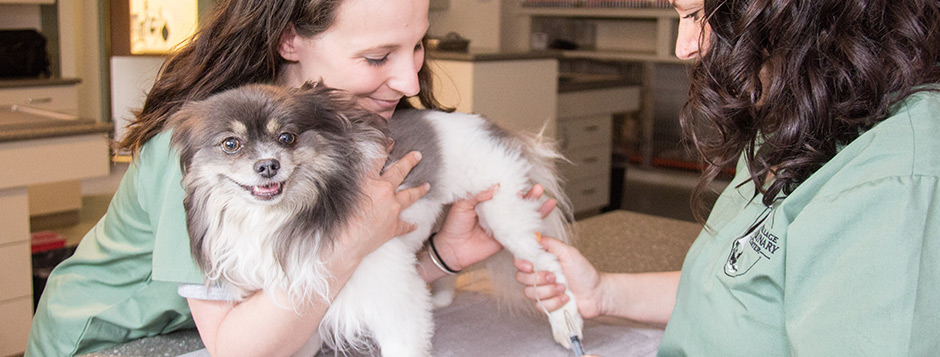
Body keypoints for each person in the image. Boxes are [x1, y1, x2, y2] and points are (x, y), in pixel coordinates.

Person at [26, 0, 553, 355]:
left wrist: (440, 259)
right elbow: (238, 346)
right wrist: (350, 240)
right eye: (377, 56)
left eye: (418, 47)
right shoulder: (207, 155)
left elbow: (336, 287)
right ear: (290, 41)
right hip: (112, 340)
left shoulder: (330, 135)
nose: (409, 79)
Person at [516, 0, 940, 355]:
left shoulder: (893, 182)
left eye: (696, 15)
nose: (684, 47)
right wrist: (603, 292)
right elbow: (741, 282)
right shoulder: (802, 120)